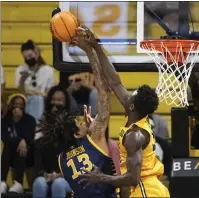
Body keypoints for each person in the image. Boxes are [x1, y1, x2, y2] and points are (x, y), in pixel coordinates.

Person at [74, 27, 170, 198]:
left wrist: (101, 177)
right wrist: (96, 47)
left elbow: (133, 178)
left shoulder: (134, 136)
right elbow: (114, 81)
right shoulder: (137, 115)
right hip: (144, 188)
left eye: (131, 95)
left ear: (132, 106)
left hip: (146, 191)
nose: (127, 94)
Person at [38, 35, 117, 198]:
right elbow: (104, 95)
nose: (82, 122)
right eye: (78, 123)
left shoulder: (63, 161)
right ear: (75, 133)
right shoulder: (94, 141)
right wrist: (90, 51)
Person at [33, 86, 72, 198]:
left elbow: (77, 161)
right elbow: (38, 159)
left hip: (67, 177)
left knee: (58, 184)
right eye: (53, 100)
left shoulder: (72, 127)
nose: (56, 103)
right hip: (47, 174)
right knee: (39, 183)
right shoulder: (42, 126)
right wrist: (46, 174)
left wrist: (60, 175)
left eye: (59, 100)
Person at [1, 93, 36, 193]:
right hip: (10, 154)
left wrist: (18, 121)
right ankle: (2, 182)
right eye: (15, 104)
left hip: (28, 155)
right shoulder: (5, 120)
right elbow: (4, 138)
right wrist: (20, 140)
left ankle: (19, 183)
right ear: (11, 105)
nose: (18, 106)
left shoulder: (30, 120)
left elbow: (30, 137)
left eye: (21, 104)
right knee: (8, 147)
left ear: (24, 106)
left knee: (20, 148)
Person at [15, 40, 55, 123]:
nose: (28, 59)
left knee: (38, 99)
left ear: (36, 54)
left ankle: (36, 125)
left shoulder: (48, 70)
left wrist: (38, 94)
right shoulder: (20, 70)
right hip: (27, 102)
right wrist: (22, 80)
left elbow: (49, 92)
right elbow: (22, 93)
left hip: (43, 103)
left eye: (30, 55)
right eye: (25, 57)